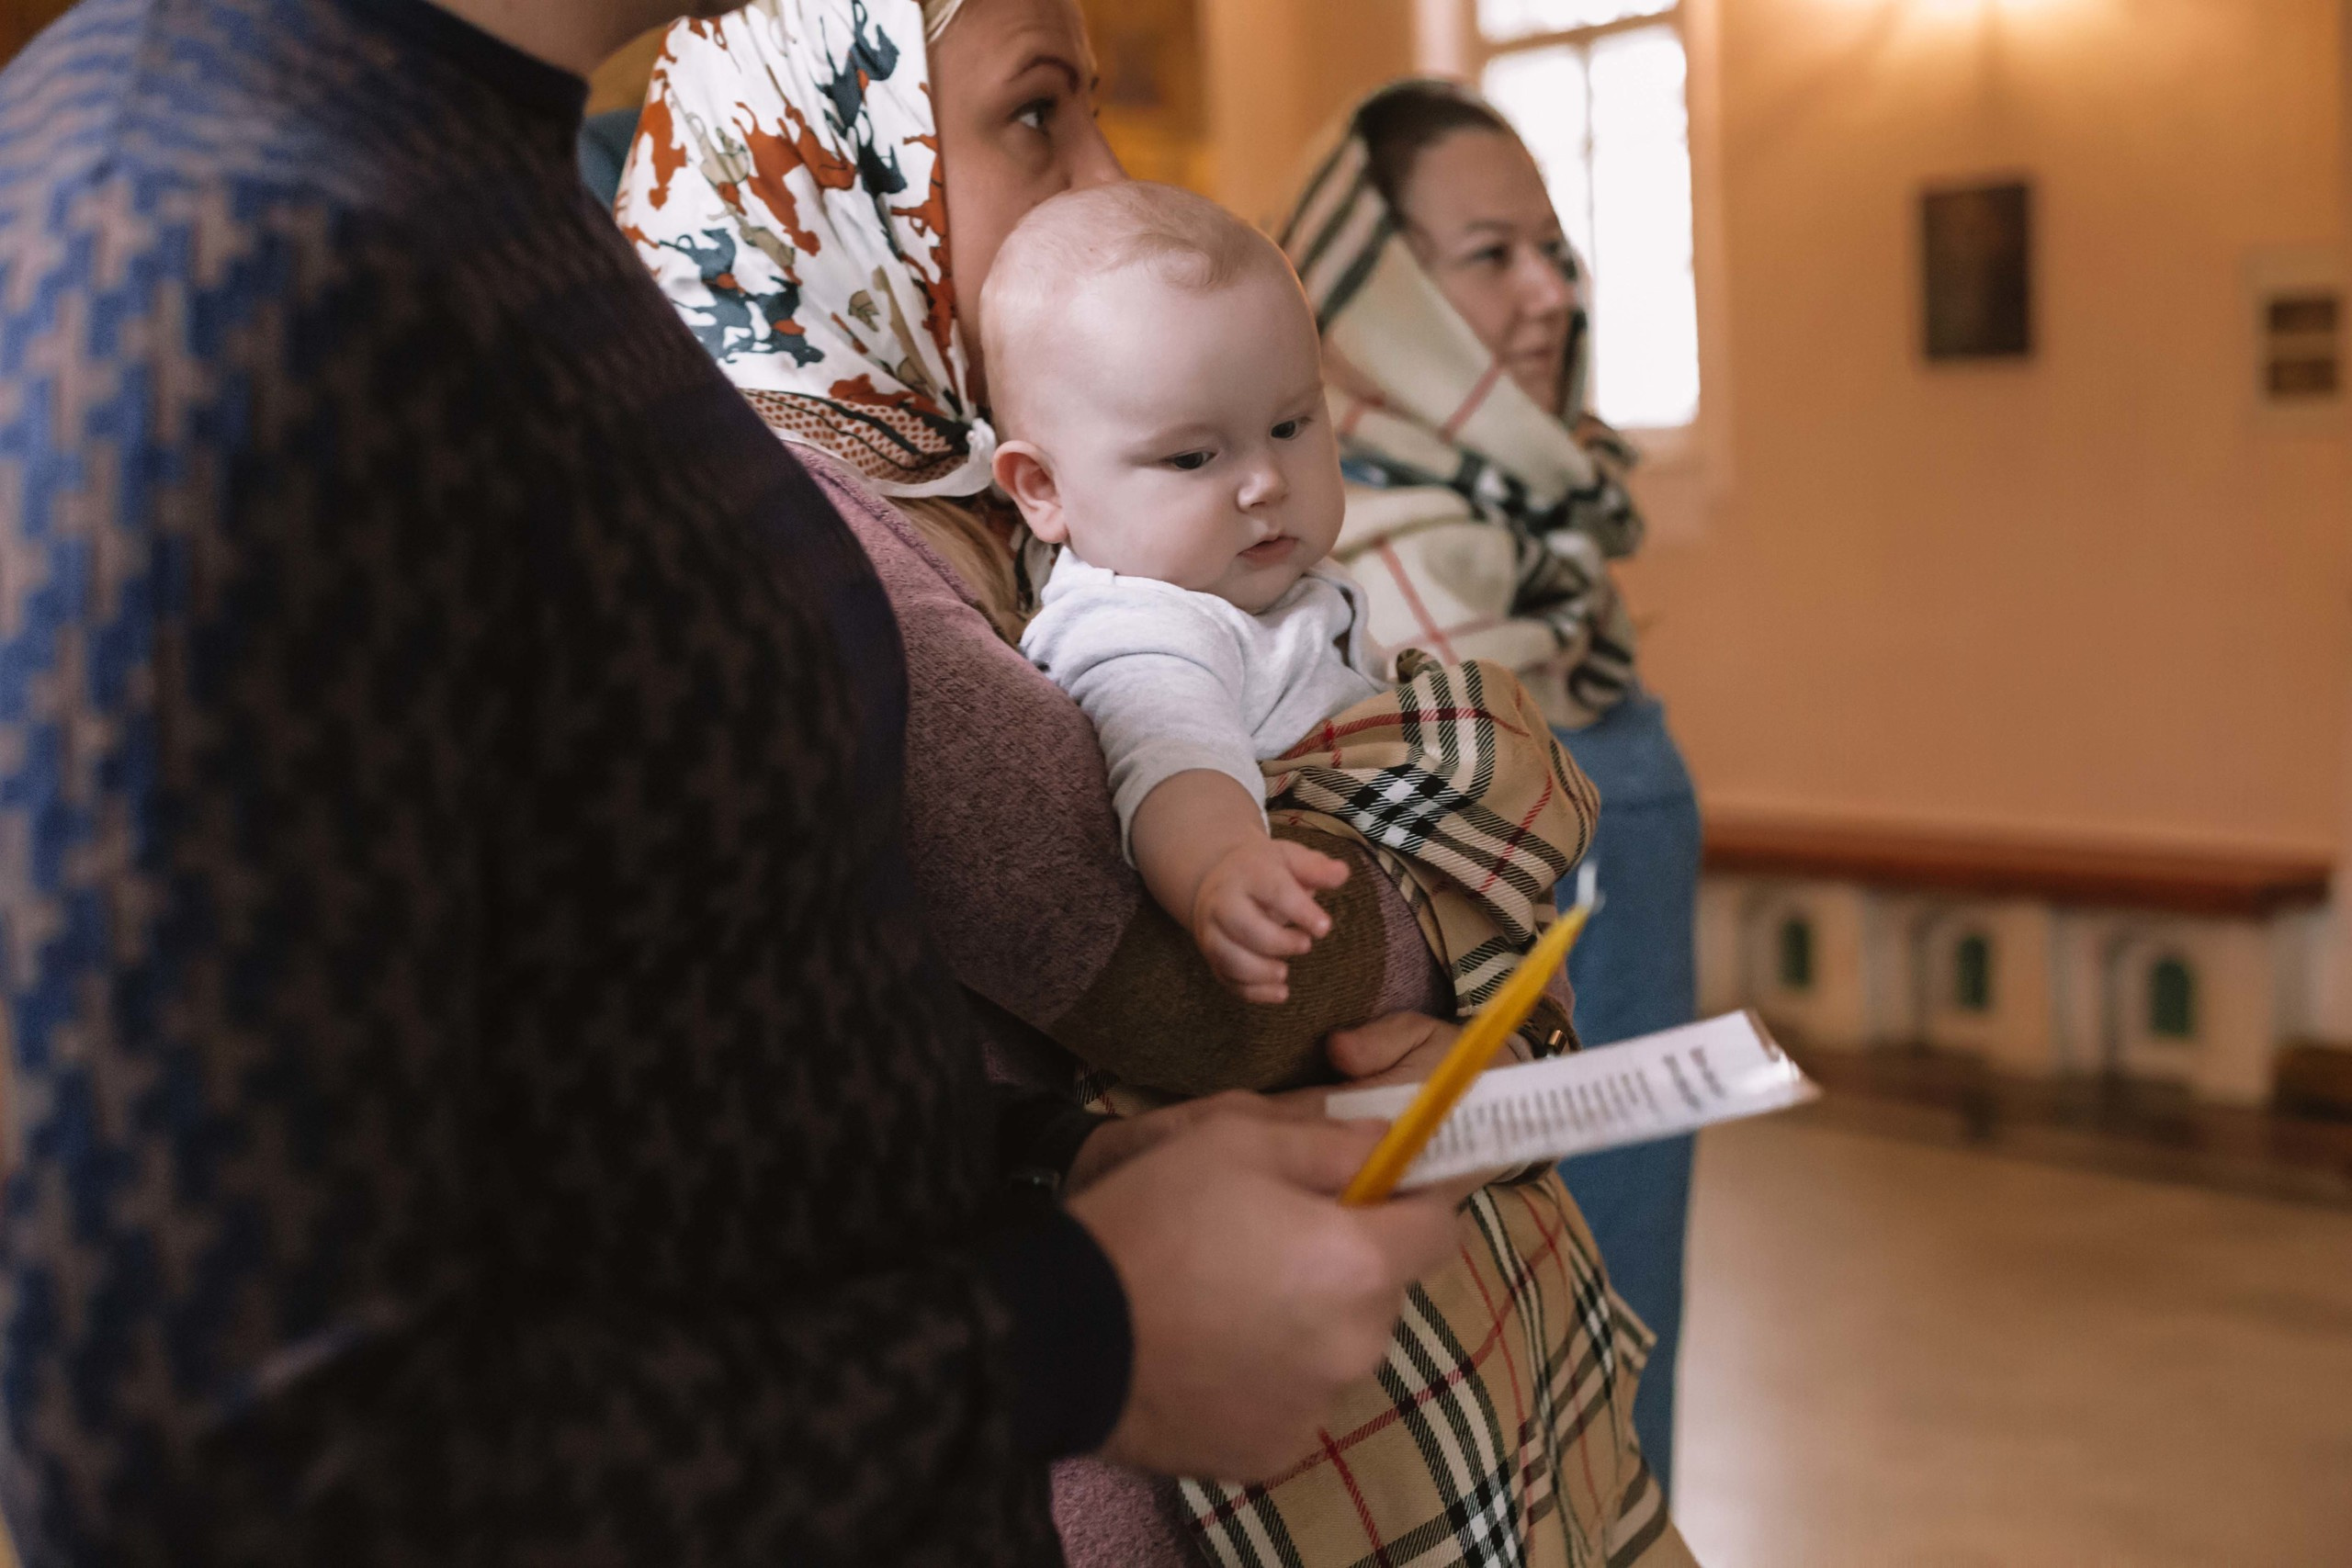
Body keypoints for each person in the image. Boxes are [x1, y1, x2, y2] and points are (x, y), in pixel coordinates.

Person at [0, 0, 1487, 1559]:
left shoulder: (469, 165)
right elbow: (213, 1460)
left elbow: (643, 1069)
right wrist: (1074, 1326)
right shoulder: (205, 238)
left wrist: (1064, 1172)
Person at [619, 8, 1695, 1567]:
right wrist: (1456, 872)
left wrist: (1481, 1002)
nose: (1103, 173)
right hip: (1112, 1458)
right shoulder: (814, 534)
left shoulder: (962, 478)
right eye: (1038, 115)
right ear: (840, 151)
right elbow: (1185, 992)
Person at [1280, 79, 1706, 1495]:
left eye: (1556, 252)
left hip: (1626, 1167)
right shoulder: (1327, 581)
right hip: (1474, 1211)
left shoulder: (1548, 547)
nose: (1551, 295)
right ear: (1376, 294)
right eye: (1490, 254)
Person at [995, 182, 1593, 1013]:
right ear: (1043, 488)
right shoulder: (1139, 620)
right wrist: (1220, 868)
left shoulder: (1265, 582)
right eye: (1192, 458)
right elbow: (1172, 753)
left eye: (1289, 427)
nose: (1266, 482)